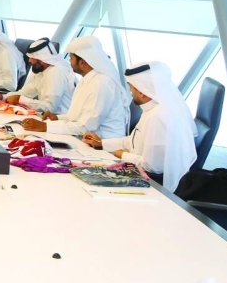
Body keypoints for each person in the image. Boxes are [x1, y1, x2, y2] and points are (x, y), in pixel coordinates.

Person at [83, 61, 197, 191]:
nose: (130, 91)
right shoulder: (151, 109)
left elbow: (152, 167)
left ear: (142, 92)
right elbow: (131, 141)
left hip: (153, 184)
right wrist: (101, 143)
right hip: (140, 173)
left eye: (132, 87)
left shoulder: (157, 117)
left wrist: (121, 154)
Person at [21, 36, 130, 138]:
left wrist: (46, 127)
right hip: (86, 137)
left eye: (71, 58)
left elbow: (86, 126)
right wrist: (57, 118)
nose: (69, 61)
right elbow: (78, 117)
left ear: (82, 62)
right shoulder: (87, 79)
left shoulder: (101, 84)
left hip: (103, 144)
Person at [0, 38, 76, 114]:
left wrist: (21, 100)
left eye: (32, 58)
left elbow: (50, 107)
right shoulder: (39, 69)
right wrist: (3, 97)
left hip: (61, 119)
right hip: (46, 115)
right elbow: (25, 93)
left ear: (42, 59)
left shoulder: (56, 72)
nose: (29, 61)